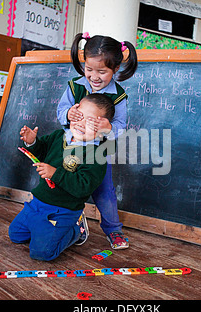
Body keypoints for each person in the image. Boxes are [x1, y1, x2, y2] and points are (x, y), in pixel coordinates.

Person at [9, 94, 115, 261]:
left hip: (62, 211)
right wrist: (32, 142)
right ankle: (44, 230)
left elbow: (83, 187)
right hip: (37, 203)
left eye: (89, 122)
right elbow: (41, 150)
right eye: (78, 116)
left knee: (42, 253)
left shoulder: (96, 155)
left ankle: (75, 230)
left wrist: (54, 173)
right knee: (15, 235)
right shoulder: (60, 136)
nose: (80, 124)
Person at [57, 32, 138, 249]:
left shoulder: (118, 96)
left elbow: (121, 126)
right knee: (67, 186)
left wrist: (108, 127)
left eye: (102, 71)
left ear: (115, 69)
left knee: (105, 192)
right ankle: (73, 223)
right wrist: (68, 114)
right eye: (89, 69)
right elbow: (60, 111)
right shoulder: (75, 86)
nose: (94, 76)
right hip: (71, 148)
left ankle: (114, 230)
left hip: (99, 153)